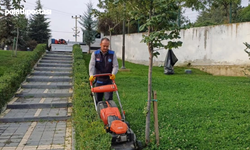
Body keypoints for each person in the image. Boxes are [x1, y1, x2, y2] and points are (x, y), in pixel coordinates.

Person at [89, 37, 119, 103]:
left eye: (107, 46)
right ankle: (99, 111)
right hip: (98, 80)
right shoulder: (95, 54)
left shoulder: (112, 54)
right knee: (98, 99)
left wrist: (113, 73)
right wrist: (91, 75)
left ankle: (108, 112)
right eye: (104, 46)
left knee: (108, 99)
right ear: (100, 44)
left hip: (108, 80)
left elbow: (115, 66)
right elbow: (92, 65)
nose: (105, 48)